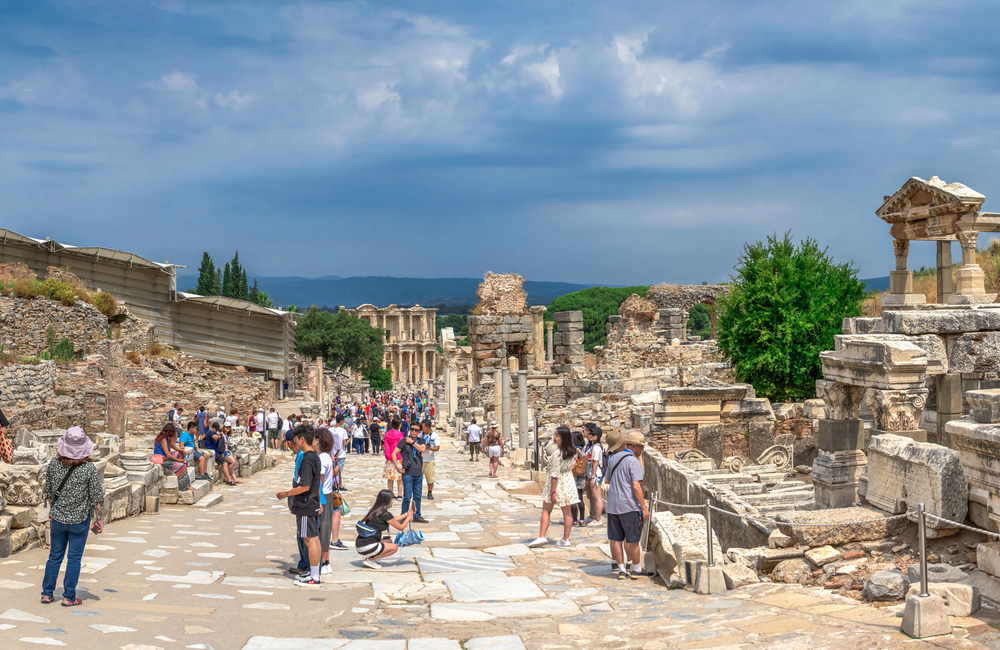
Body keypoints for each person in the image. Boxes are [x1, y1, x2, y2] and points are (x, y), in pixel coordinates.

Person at [41, 427, 104, 606]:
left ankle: (47, 593)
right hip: (79, 520)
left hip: (59, 519)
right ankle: (69, 596)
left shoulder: (54, 464)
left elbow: (48, 491)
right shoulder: (88, 468)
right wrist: (98, 518)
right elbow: (96, 497)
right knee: (74, 559)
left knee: (54, 556)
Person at [276, 425, 323, 585]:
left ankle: (314, 577)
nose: (294, 443)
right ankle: (314, 574)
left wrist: (286, 494)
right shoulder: (313, 456)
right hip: (311, 503)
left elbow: (305, 486)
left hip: (306, 504)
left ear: (302, 439)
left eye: (295, 440)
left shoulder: (308, 458)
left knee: (309, 540)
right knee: (313, 539)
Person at [605, 430, 650, 580]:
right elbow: (637, 485)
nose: (642, 449)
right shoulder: (633, 461)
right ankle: (636, 568)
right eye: (640, 446)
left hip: (612, 505)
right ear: (633, 446)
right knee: (633, 539)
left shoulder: (613, 459)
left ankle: (621, 569)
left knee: (616, 538)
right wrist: (644, 508)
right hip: (629, 505)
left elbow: (607, 480)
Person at [528, 426, 579, 548]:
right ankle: (566, 539)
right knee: (567, 513)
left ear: (563, 438)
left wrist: (552, 491)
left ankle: (542, 536)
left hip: (557, 483)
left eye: (556, 436)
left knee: (546, 510)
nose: (554, 437)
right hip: (568, 481)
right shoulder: (573, 451)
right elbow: (572, 465)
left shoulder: (557, 454)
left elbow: (555, 475)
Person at [355, 489, 415, 569]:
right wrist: (408, 519)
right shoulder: (386, 514)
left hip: (360, 545)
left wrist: (407, 514)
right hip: (367, 546)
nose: (392, 501)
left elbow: (393, 520)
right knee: (394, 548)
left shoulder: (375, 511)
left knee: (388, 542)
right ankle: (370, 560)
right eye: (392, 499)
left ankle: (371, 557)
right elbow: (401, 527)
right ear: (387, 501)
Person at [314, 429, 346, 576]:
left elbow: (319, 481)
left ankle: (322, 562)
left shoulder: (321, 459)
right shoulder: (327, 456)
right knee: (325, 530)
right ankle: (326, 561)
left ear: (319, 440)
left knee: (321, 531)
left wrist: (318, 501)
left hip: (322, 496)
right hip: (326, 495)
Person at [393, 423, 428, 523]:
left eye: (416, 430)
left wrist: (412, 442)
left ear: (420, 432)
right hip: (407, 473)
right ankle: (403, 516)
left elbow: (422, 449)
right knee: (407, 497)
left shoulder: (421, 440)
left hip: (418, 473)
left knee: (417, 496)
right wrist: (397, 466)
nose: (413, 431)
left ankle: (417, 515)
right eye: (412, 429)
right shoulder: (403, 441)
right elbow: (394, 453)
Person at [154, 422, 191, 491]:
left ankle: (176, 466)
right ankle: (184, 486)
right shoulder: (163, 440)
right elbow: (168, 454)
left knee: (180, 453)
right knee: (182, 466)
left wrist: (183, 451)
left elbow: (174, 447)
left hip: (165, 457)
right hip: (162, 459)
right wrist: (179, 461)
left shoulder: (166, 438)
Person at [585, 426, 605, 526]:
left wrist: (592, 477)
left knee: (597, 497)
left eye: (593, 434)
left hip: (596, 475)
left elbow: (595, 462)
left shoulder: (596, 448)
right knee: (594, 497)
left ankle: (598, 519)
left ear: (598, 436)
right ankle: (593, 516)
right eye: (590, 433)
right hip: (591, 474)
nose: (591, 436)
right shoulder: (591, 446)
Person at [383, 418, 403, 498]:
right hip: (398, 458)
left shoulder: (387, 434)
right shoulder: (399, 434)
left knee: (390, 477)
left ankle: (391, 493)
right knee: (400, 478)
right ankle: (399, 494)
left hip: (389, 458)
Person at [419, 419, 440, 500]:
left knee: (430, 478)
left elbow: (437, 447)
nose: (421, 428)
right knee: (418, 477)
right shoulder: (420, 434)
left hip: (429, 460)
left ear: (427, 427)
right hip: (420, 459)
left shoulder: (435, 435)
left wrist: (431, 448)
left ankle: (430, 492)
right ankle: (417, 492)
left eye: (423, 427)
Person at [571, 431, 588, 526]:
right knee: (580, 498)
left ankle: (575, 520)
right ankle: (582, 519)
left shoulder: (574, 451)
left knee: (573, 499)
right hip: (581, 476)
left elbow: (573, 464)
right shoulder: (583, 450)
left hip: (574, 476)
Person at [332, 414, 349, 490]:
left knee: (335, 470)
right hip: (341, 454)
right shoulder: (343, 431)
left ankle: (337, 484)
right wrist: (349, 440)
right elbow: (344, 443)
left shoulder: (330, 430)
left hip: (332, 453)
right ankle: (337, 485)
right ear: (341, 421)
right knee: (338, 470)